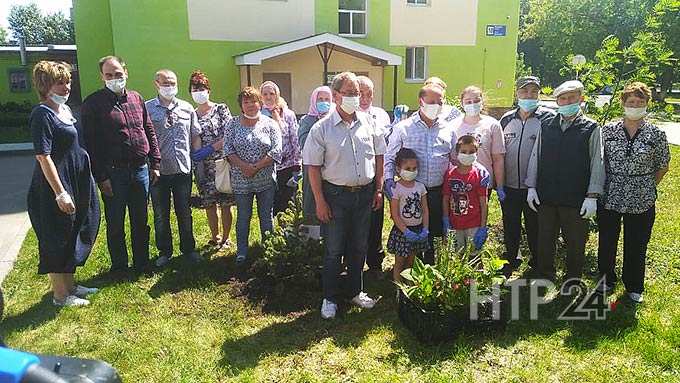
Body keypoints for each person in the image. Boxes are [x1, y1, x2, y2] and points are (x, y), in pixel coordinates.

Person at [302, 71, 386, 319]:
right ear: (336, 95)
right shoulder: (322, 128)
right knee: (333, 248)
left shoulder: (369, 123)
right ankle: (329, 297)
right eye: (349, 94)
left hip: (365, 195)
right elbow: (313, 167)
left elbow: (380, 156)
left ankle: (355, 291)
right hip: (335, 196)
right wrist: (319, 201)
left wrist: (378, 189)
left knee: (359, 246)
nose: (354, 98)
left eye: (357, 93)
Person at [27, 61, 101, 307]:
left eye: (68, 81)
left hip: (76, 179)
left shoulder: (65, 111)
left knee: (74, 231)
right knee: (56, 237)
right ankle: (60, 295)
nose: (66, 86)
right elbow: (43, 156)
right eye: (59, 82)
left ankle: (71, 286)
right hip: (55, 185)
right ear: (45, 85)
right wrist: (60, 193)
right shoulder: (42, 115)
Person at [81, 56, 161, 273]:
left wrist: (155, 163)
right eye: (109, 75)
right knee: (115, 223)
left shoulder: (136, 98)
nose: (114, 78)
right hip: (113, 173)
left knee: (141, 220)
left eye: (118, 74)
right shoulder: (93, 103)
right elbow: (91, 144)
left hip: (140, 170)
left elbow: (148, 130)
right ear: (102, 77)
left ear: (126, 72)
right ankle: (119, 267)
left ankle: (142, 262)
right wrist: (101, 177)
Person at [526, 80, 605, 285]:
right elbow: (536, 155)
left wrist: (592, 195)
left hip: (576, 197)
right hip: (547, 194)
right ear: (557, 101)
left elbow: (598, 161)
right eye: (563, 98)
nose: (567, 101)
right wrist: (531, 186)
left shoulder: (590, 127)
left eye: (572, 97)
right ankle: (545, 276)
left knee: (576, 242)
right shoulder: (547, 125)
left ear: (581, 99)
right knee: (545, 239)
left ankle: (572, 280)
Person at [597, 82, 670, 303]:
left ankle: (634, 285)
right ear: (623, 103)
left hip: (642, 198)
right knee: (607, 240)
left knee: (637, 243)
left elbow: (663, 165)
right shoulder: (608, 130)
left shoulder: (655, 134)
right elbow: (599, 162)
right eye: (631, 102)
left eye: (640, 102)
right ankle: (606, 279)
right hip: (610, 195)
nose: (635, 106)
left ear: (647, 104)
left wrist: (646, 186)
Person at [384, 84, 457, 265]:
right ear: (421, 102)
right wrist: (387, 179)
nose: (436, 105)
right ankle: (410, 273)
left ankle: (432, 271)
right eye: (431, 101)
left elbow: (456, 158)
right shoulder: (403, 128)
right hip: (411, 193)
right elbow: (390, 156)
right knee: (412, 234)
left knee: (435, 233)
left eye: (440, 101)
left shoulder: (448, 129)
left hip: (438, 192)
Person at [498, 76, 555, 273]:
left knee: (535, 226)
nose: (529, 95)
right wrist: (500, 183)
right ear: (517, 93)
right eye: (524, 91)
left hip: (536, 187)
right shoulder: (506, 119)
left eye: (533, 92)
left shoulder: (548, 118)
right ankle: (512, 257)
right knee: (510, 223)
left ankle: (538, 261)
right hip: (509, 186)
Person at [146, 69, 201, 267]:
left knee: (184, 211)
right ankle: (164, 251)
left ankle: (189, 249)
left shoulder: (187, 108)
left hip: (183, 169)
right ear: (157, 84)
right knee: (161, 213)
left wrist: (197, 159)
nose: (170, 86)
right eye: (166, 83)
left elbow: (195, 135)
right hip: (159, 171)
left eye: (173, 82)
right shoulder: (148, 109)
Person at [225, 87, 282, 264]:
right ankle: (242, 252)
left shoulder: (270, 124)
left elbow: (276, 151)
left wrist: (256, 167)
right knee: (243, 216)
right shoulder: (232, 124)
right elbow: (228, 150)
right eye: (246, 102)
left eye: (253, 101)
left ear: (260, 103)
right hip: (241, 181)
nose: (250, 105)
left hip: (265, 180)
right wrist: (245, 167)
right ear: (241, 105)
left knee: (266, 215)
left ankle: (268, 250)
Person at [189, 70, 235, 248]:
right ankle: (214, 237)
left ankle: (226, 238)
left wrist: (211, 148)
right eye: (195, 88)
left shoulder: (220, 109)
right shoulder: (191, 114)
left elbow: (230, 133)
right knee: (209, 203)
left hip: (222, 163)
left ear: (208, 90)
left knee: (225, 203)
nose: (198, 91)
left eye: (202, 88)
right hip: (202, 166)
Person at [357, 75, 391, 279]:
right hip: (355, 177)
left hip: (376, 176)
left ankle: (375, 262)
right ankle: (354, 261)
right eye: (361, 93)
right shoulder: (345, 115)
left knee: (375, 221)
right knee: (355, 224)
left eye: (369, 94)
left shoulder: (380, 115)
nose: (365, 98)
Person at [453, 86, 506, 203]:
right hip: (459, 181)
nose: (472, 104)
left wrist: (500, 186)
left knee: (481, 213)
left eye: (476, 101)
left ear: (482, 102)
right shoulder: (453, 125)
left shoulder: (492, 124)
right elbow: (450, 157)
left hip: (483, 181)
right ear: (462, 104)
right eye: (468, 102)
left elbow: (498, 159)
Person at [386, 148, 429, 283]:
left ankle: (410, 284)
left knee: (411, 260)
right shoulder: (396, 188)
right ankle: (399, 286)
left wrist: (425, 228)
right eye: (408, 168)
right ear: (398, 169)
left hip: (418, 229)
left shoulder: (420, 187)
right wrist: (405, 231)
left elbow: (425, 209)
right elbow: (395, 214)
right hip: (402, 232)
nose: (411, 171)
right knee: (399, 262)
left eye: (414, 168)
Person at [260, 81, 301, 216]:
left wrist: (297, 166)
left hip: (287, 166)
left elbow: (295, 140)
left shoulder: (288, 114)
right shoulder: (258, 116)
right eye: (265, 94)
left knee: (288, 204)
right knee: (270, 205)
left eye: (272, 93)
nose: (268, 97)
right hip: (265, 167)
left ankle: (287, 235)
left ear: (277, 95)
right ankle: (271, 234)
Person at [443, 136, 489, 251]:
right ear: (457, 153)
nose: (467, 155)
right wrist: (445, 219)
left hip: (474, 224)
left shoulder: (479, 175)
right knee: (457, 257)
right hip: (455, 224)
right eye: (463, 152)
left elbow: (484, 203)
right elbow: (445, 198)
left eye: (471, 152)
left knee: (475, 256)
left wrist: (483, 227)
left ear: (476, 154)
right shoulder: (450, 174)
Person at [298, 86, 333, 225]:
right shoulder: (306, 121)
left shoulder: (334, 119)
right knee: (312, 200)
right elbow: (304, 143)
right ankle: (312, 240)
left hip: (330, 167)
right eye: (320, 99)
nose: (323, 102)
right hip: (312, 168)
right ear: (314, 100)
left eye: (327, 99)